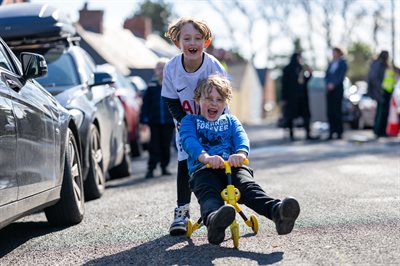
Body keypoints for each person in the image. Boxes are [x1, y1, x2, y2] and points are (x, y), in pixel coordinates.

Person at [180, 74, 300, 245]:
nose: (214, 103)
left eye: (219, 100)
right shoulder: (190, 121)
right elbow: (188, 140)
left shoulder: (230, 120)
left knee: (249, 188)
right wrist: (205, 157)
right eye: (209, 98)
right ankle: (214, 221)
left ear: (225, 103)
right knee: (209, 194)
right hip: (204, 170)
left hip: (233, 167)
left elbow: (241, 137)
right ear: (198, 99)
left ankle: (277, 212)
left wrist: (241, 154)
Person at [161, 17, 227, 235]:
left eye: (198, 38)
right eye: (186, 38)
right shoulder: (171, 68)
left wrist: (213, 123)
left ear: (205, 43)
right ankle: (182, 212)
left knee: (216, 160)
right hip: (186, 122)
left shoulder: (213, 66)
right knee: (184, 163)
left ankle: (220, 208)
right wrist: (184, 121)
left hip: (214, 120)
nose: (192, 42)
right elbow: (170, 100)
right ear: (177, 43)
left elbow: (223, 98)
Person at [140, 58, 175, 178]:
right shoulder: (152, 85)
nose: (162, 71)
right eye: (159, 68)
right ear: (155, 71)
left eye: (164, 68)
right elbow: (145, 104)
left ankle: (164, 166)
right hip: (154, 121)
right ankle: (151, 168)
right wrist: (143, 119)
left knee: (166, 145)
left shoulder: (172, 84)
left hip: (168, 121)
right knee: (154, 145)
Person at [281, 52, 316, 141]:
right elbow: (284, 85)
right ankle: (291, 134)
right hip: (292, 97)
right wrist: (284, 98)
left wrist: (310, 74)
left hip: (303, 96)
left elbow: (304, 82)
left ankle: (308, 133)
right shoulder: (287, 69)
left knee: (306, 115)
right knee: (291, 116)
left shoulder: (301, 68)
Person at [366, 50, 394, 138]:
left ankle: (382, 130)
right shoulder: (378, 64)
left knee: (385, 112)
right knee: (381, 112)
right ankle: (378, 131)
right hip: (382, 92)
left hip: (388, 91)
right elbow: (374, 78)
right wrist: (380, 90)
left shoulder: (386, 66)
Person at [324, 47, 348, 140]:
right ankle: (331, 131)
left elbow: (340, 76)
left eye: (335, 52)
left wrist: (333, 84)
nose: (333, 54)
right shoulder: (331, 63)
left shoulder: (343, 63)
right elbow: (326, 75)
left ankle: (339, 132)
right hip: (329, 90)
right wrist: (327, 84)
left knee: (337, 111)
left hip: (337, 89)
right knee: (330, 111)